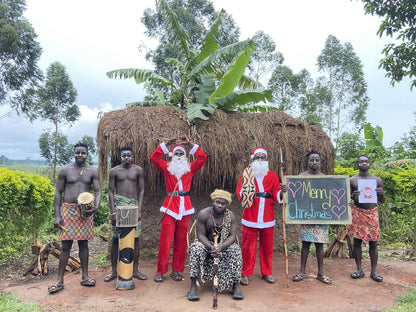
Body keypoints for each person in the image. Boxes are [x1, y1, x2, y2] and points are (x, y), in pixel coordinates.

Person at [150, 136, 207, 282]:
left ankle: (176, 270)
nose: (180, 156)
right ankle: (160, 271)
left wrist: (190, 145)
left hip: (185, 207)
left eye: (182, 154)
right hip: (170, 206)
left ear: (186, 156)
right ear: (172, 156)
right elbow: (154, 157)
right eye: (177, 154)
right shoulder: (166, 167)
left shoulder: (190, 168)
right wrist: (167, 144)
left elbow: (202, 157)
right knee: (165, 241)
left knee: (181, 241)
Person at [48, 143, 102, 294]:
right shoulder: (65, 170)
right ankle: (60, 280)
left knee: (84, 244)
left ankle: (85, 276)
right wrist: (57, 215)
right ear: (73, 153)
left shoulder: (92, 171)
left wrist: (96, 207)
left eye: (83, 152)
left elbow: (98, 191)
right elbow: (58, 193)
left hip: (85, 211)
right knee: (65, 245)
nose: (80, 155)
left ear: (87, 154)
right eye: (77, 152)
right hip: (68, 210)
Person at [236, 147, 284, 285]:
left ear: (266, 160)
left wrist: (282, 192)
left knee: (267, 247)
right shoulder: (246, 174)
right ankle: (245, 273)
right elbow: (239, 192)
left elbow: (276, 195)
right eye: (258, 157)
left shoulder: (273, 176)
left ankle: (267, 273)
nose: (261, 159)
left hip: (267, 216)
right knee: (247, 247)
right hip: (250, 215)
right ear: (253, 159)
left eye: (263, 157)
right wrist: (245, 194)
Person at [187, 189, 244, 301]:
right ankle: (193, 286)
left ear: (227, 204)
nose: (219, 205)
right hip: (206, 244)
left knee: (236, 250)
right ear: (213, 202)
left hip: (223, 245)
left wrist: (221, 247)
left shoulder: (230, 216)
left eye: (223, 203)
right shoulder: (204, 214)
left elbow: (232, 236)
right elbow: (200, 235)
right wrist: (211, 247)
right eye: (217, 202)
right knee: (196, 249)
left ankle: (236, 286)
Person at [104, 146, 147, 282]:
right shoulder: (114, 171)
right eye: (124, 156)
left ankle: (135, 270)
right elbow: (111, 191)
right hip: (119, 205)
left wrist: (139, 210)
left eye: (129, 155)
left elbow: (141, 190)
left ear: (132, 156)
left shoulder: (138, 170)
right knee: (116, 238)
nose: (126, 158)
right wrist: (112, 212)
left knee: (135, 238)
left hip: (133, 205)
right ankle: (113, 271)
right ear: (120, 157)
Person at [291, 150, 332, 285]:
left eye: (317, 160)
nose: (314, 162)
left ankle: (321, 273)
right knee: (305, 244)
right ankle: (302, 271)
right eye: (311, 160)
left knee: (320, 245)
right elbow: (295, 196)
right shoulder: (301, 177)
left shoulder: (325, 179)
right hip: (306, 215)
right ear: (307, 162)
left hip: (321, 215)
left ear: (320, 162)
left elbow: (330, 198)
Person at [346, 154, 386, 282]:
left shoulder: (377, 180)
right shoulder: (352, 180)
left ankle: (374, 271)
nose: (364, 163)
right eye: (361, 161)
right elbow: (348, 200)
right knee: (357, 242)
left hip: (372, 213)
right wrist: (353, 196)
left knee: (373, 243)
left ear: (369, 164)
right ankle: (359, 269)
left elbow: (382, 201)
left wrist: (382, 194)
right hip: (357, 212)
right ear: (357, 164)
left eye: (366, 161)